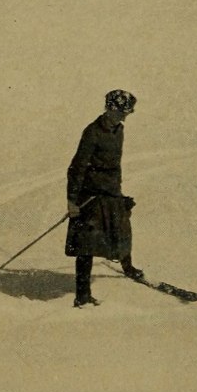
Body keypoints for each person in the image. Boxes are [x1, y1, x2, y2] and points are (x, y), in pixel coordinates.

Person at [65, 89, 144, 308]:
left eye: (127, 113)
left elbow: (115, 165)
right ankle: (82, 296)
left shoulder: (119, 130)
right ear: (109, 109)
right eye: (121, 113)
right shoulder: (92, 132)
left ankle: (128, 268)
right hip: (90, 195)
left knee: (123, 228)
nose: (124, 117)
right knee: (86, 244)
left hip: (111, 191)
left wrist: (118, 191)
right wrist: (72, 201)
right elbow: (77, 168)